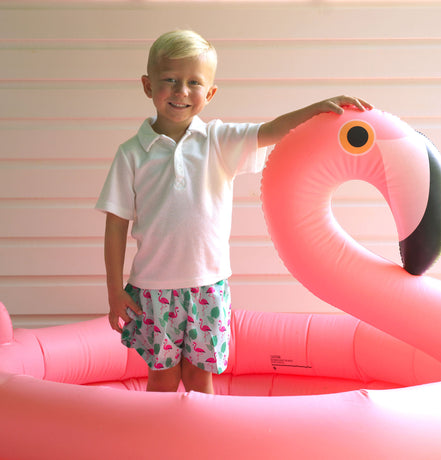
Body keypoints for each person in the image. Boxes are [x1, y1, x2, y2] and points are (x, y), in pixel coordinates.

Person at [96, 29, 372, 394]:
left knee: (200, 377)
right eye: (170, 80)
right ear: (148, 86)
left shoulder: (218, 141)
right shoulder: (131, 153)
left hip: (207, 287)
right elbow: (115, 226)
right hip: (153, 290)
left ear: (210, 93)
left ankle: (203, 433)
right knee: (162, 379)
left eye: (194, 82)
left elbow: (272, 130)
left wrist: (317, 109)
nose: (181, 91)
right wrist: (115, 291)